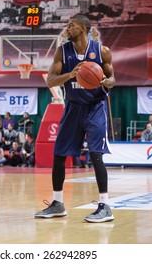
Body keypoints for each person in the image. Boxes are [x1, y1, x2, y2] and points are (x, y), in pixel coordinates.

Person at [35, 14, 115, 223]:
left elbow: (113, 79)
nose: (66, 29)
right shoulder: (63, 51)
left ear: (82, 29)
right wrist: (71, 75)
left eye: (71, 26)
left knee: (96, 155)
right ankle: (58, 203)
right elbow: (50, 80)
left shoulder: (101, 51)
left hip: (95, 107)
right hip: (73, 107)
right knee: (59, 155)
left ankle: (105, 206)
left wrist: (107, 81)